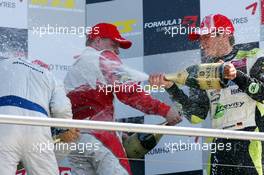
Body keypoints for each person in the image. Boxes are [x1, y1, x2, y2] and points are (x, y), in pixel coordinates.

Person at [149, 14, 264, 175]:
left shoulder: (254, 56)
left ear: (224, 34)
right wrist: (171, 87)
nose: (202, 44)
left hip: (252, 139)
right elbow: (195, 116)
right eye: (200, 38)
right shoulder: (202, 71)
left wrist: (236, 75)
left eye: (205, 37)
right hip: (220, 144)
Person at [64, 23, 182, 175]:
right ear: (98, 40)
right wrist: (165, 111)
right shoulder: (103, 57)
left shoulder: (76, 66)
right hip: (100, 138)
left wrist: (117, 132)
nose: (117, 51)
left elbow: (88, 109)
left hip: (75, 141)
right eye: (114, 44)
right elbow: (129, 93)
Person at [0, 56, 74, 175]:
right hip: (38, 127)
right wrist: (64, 129)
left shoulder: (4, 65)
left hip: (5, 122)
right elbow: (61, 108)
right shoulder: (49, 76)